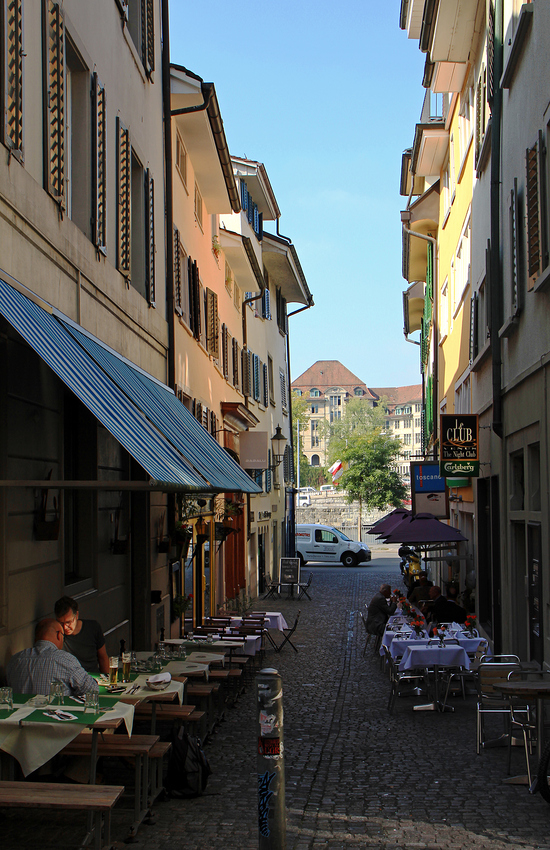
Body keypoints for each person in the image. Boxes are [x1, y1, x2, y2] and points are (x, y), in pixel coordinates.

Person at [6, 618, 99, 696]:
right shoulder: (65, 660)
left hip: (20, 716)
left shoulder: (15, 660)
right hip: (55, 715)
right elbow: (91, 689)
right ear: (59, 635)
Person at [54, 596, 110, 675]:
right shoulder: (56, 634)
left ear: (76, 615)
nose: (64, 627)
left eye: (68, 622)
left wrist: (107, 679)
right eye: (61, 623)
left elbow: (103, 657)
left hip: (93, 677)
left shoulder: (93, 628)